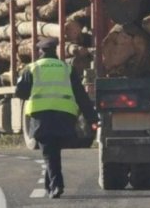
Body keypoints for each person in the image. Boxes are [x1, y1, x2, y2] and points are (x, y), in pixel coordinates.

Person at [15, 37, 98, 199]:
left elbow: (21, 93)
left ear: (40, 52)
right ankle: (51, 185)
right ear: (55, 51)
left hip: (41, 116)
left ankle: (56, 185)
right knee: (52, 152)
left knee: (49, 152)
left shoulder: (32, 68)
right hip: (65, 116)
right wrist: (92, 118)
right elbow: (80, 95)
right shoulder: (67, 68)